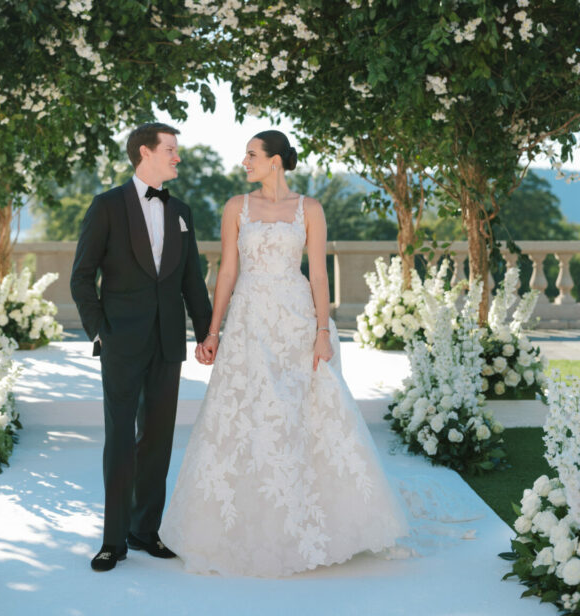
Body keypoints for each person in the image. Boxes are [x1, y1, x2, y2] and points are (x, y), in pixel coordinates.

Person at [159, 129, 410, 577]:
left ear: (275, 161)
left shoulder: (309, 209)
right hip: (250, 320)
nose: (245, 162)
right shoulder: (236, 207)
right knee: (247, 412)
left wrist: (321, 331)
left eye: (252, 155)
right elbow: (228, 272)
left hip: (296, 320)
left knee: (304, 413)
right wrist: (213, 331)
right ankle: (242, 525)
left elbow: (317, 276)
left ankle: (316, 521)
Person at [70, 122, 213, 572]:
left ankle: (144, 530)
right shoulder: (107, 206)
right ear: (145, 153)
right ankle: (113, 540)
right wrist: (100, 331)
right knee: (120, 440)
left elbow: (192, 281)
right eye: (171, 150)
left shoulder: (182, 211)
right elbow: (82, 276)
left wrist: (208, 334)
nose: (177, 158)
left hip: (168, 342)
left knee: (157, 440)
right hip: (120, 342)